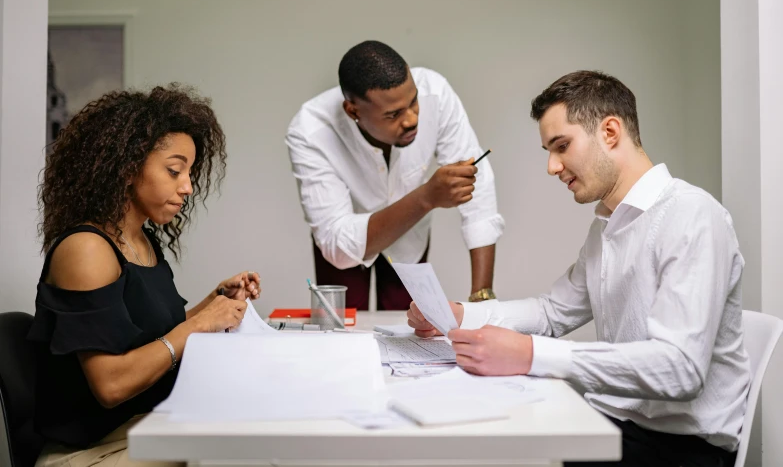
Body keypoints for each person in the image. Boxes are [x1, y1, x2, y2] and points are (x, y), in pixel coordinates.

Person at [407, 71, 750, 467]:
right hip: (617, 424)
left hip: (678, 450)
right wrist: (462, 314)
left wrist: (531, 354)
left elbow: (680, 369)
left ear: (609, 131)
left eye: (562, 146)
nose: (553, 167)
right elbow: (553, 312)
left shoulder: (693, 216)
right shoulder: (607, 225)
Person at [29, 85, 260, 467]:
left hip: (150, 426)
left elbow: (150, 337)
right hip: (96, 451)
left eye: (189, 172)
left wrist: (217, 300)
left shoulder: (141, 241)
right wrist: (200, 324)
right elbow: (112, 384)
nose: (187, 187)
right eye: (174, 171)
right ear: (127, 167)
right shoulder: (86, 249)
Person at [286, 40, 504, 310]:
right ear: (353, 110)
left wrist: (482, 297)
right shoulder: (310, 130)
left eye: (413, 102)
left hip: (411, 238)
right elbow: (338, 246)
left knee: (410, 330)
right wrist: (426, 197)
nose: (412, 119)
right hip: (347, 242)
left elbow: (477, 188)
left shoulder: (435, 91)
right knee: (341, 332)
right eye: (393, 114)